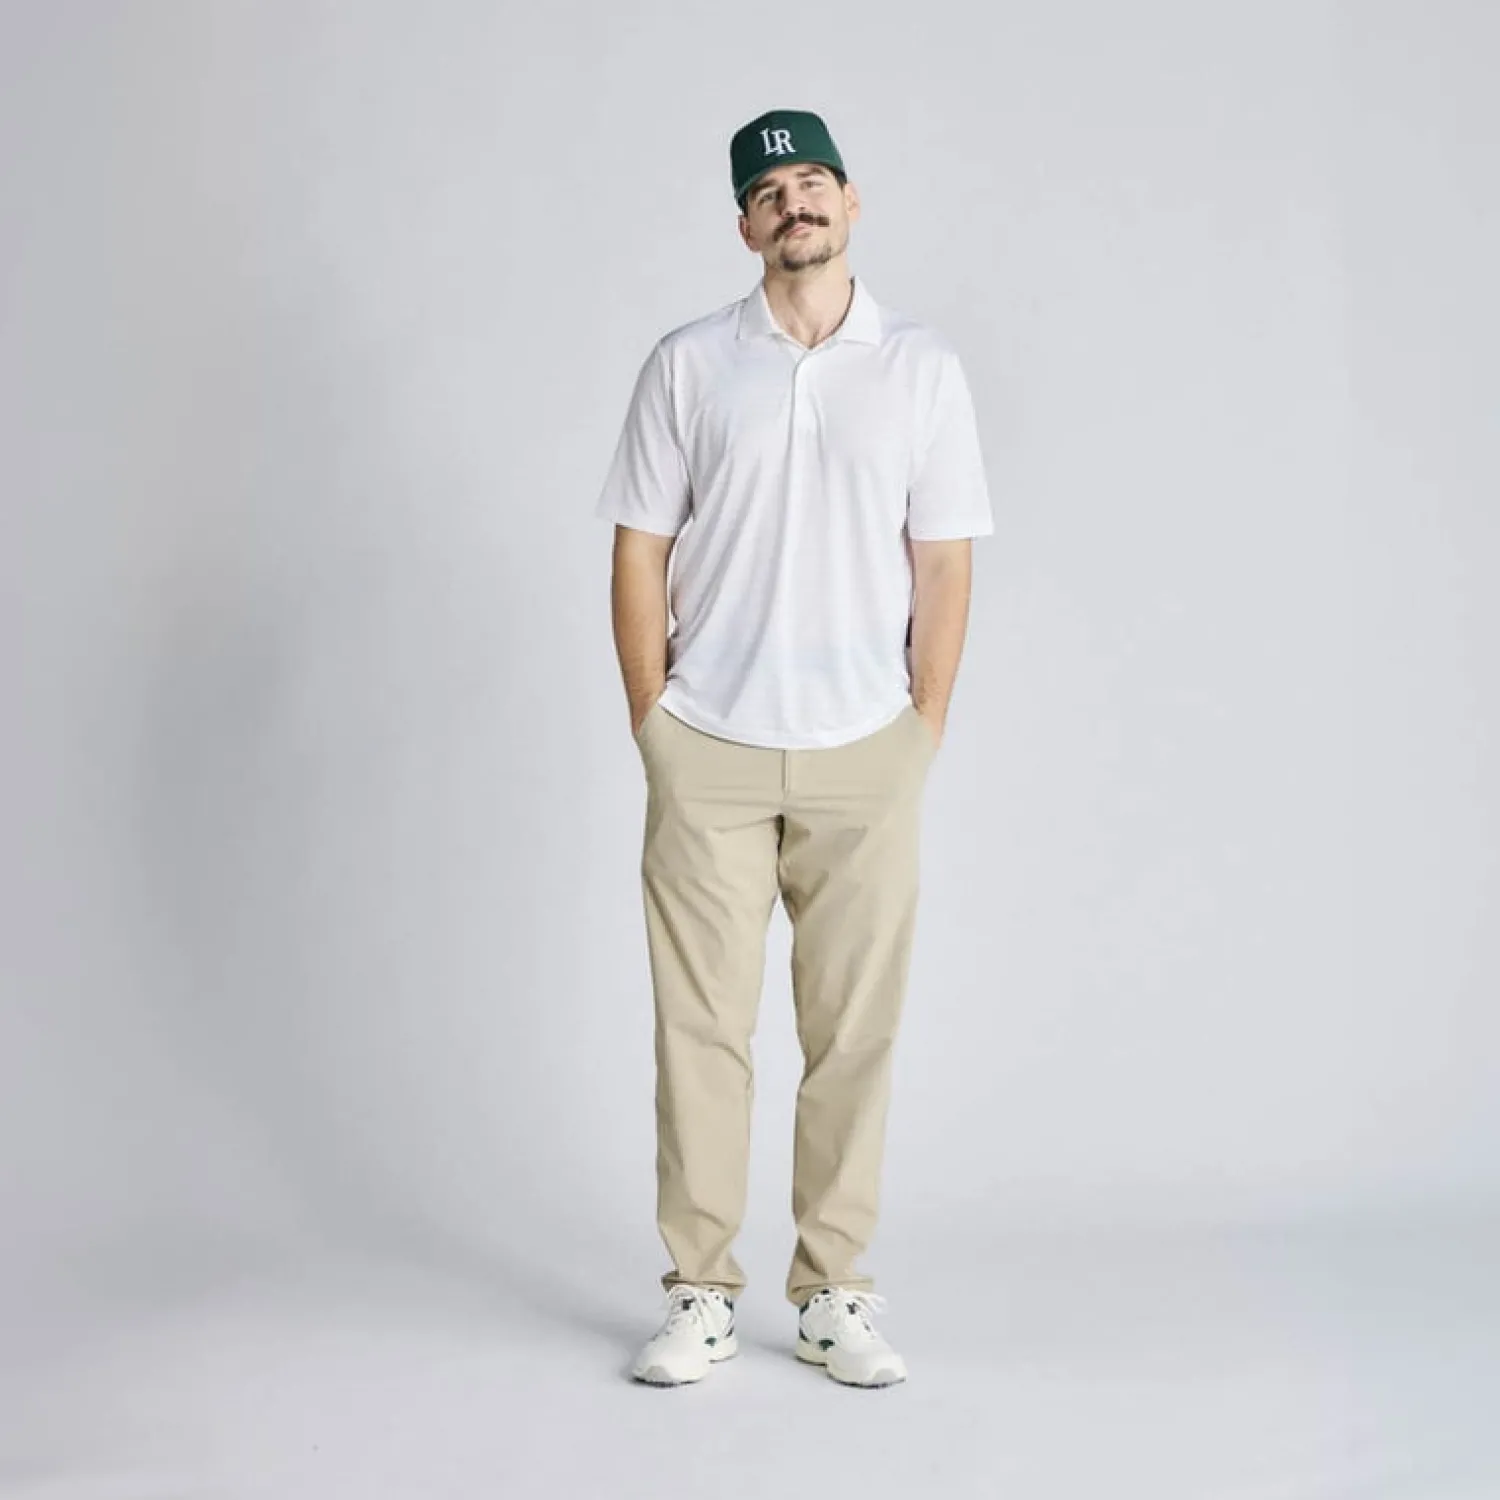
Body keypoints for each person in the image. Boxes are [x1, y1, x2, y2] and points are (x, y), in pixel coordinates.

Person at [594, 108, 994, 1387]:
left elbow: (945, 560)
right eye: (770, 193)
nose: (795, 204)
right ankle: (699, 1292)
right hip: (708, 742)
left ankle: (833, 1290)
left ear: (851, 201)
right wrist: (653, 722)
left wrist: (921, 730)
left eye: (813, 181)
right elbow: (640, 548)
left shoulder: (920, 368)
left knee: (854, 1034)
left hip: (864, 748)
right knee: (699, 1035)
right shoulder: (689, 363)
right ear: (745, 225)